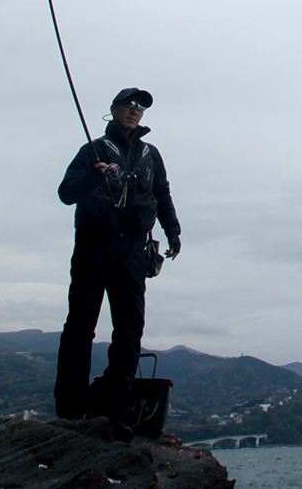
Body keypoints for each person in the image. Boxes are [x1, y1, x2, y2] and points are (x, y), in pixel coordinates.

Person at [54, 87, 181, 439]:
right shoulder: (91, 150)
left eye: (141, 107)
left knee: (129, 334)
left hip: (134, 252)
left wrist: (173, 232)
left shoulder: (150, 155)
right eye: (129, 104)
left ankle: (115, 414)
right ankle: (71, 412)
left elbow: (162, 194)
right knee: (81, 328)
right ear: (114, 109)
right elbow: (66, 193)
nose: (135, 110)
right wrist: (94, 176)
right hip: (94, 246)